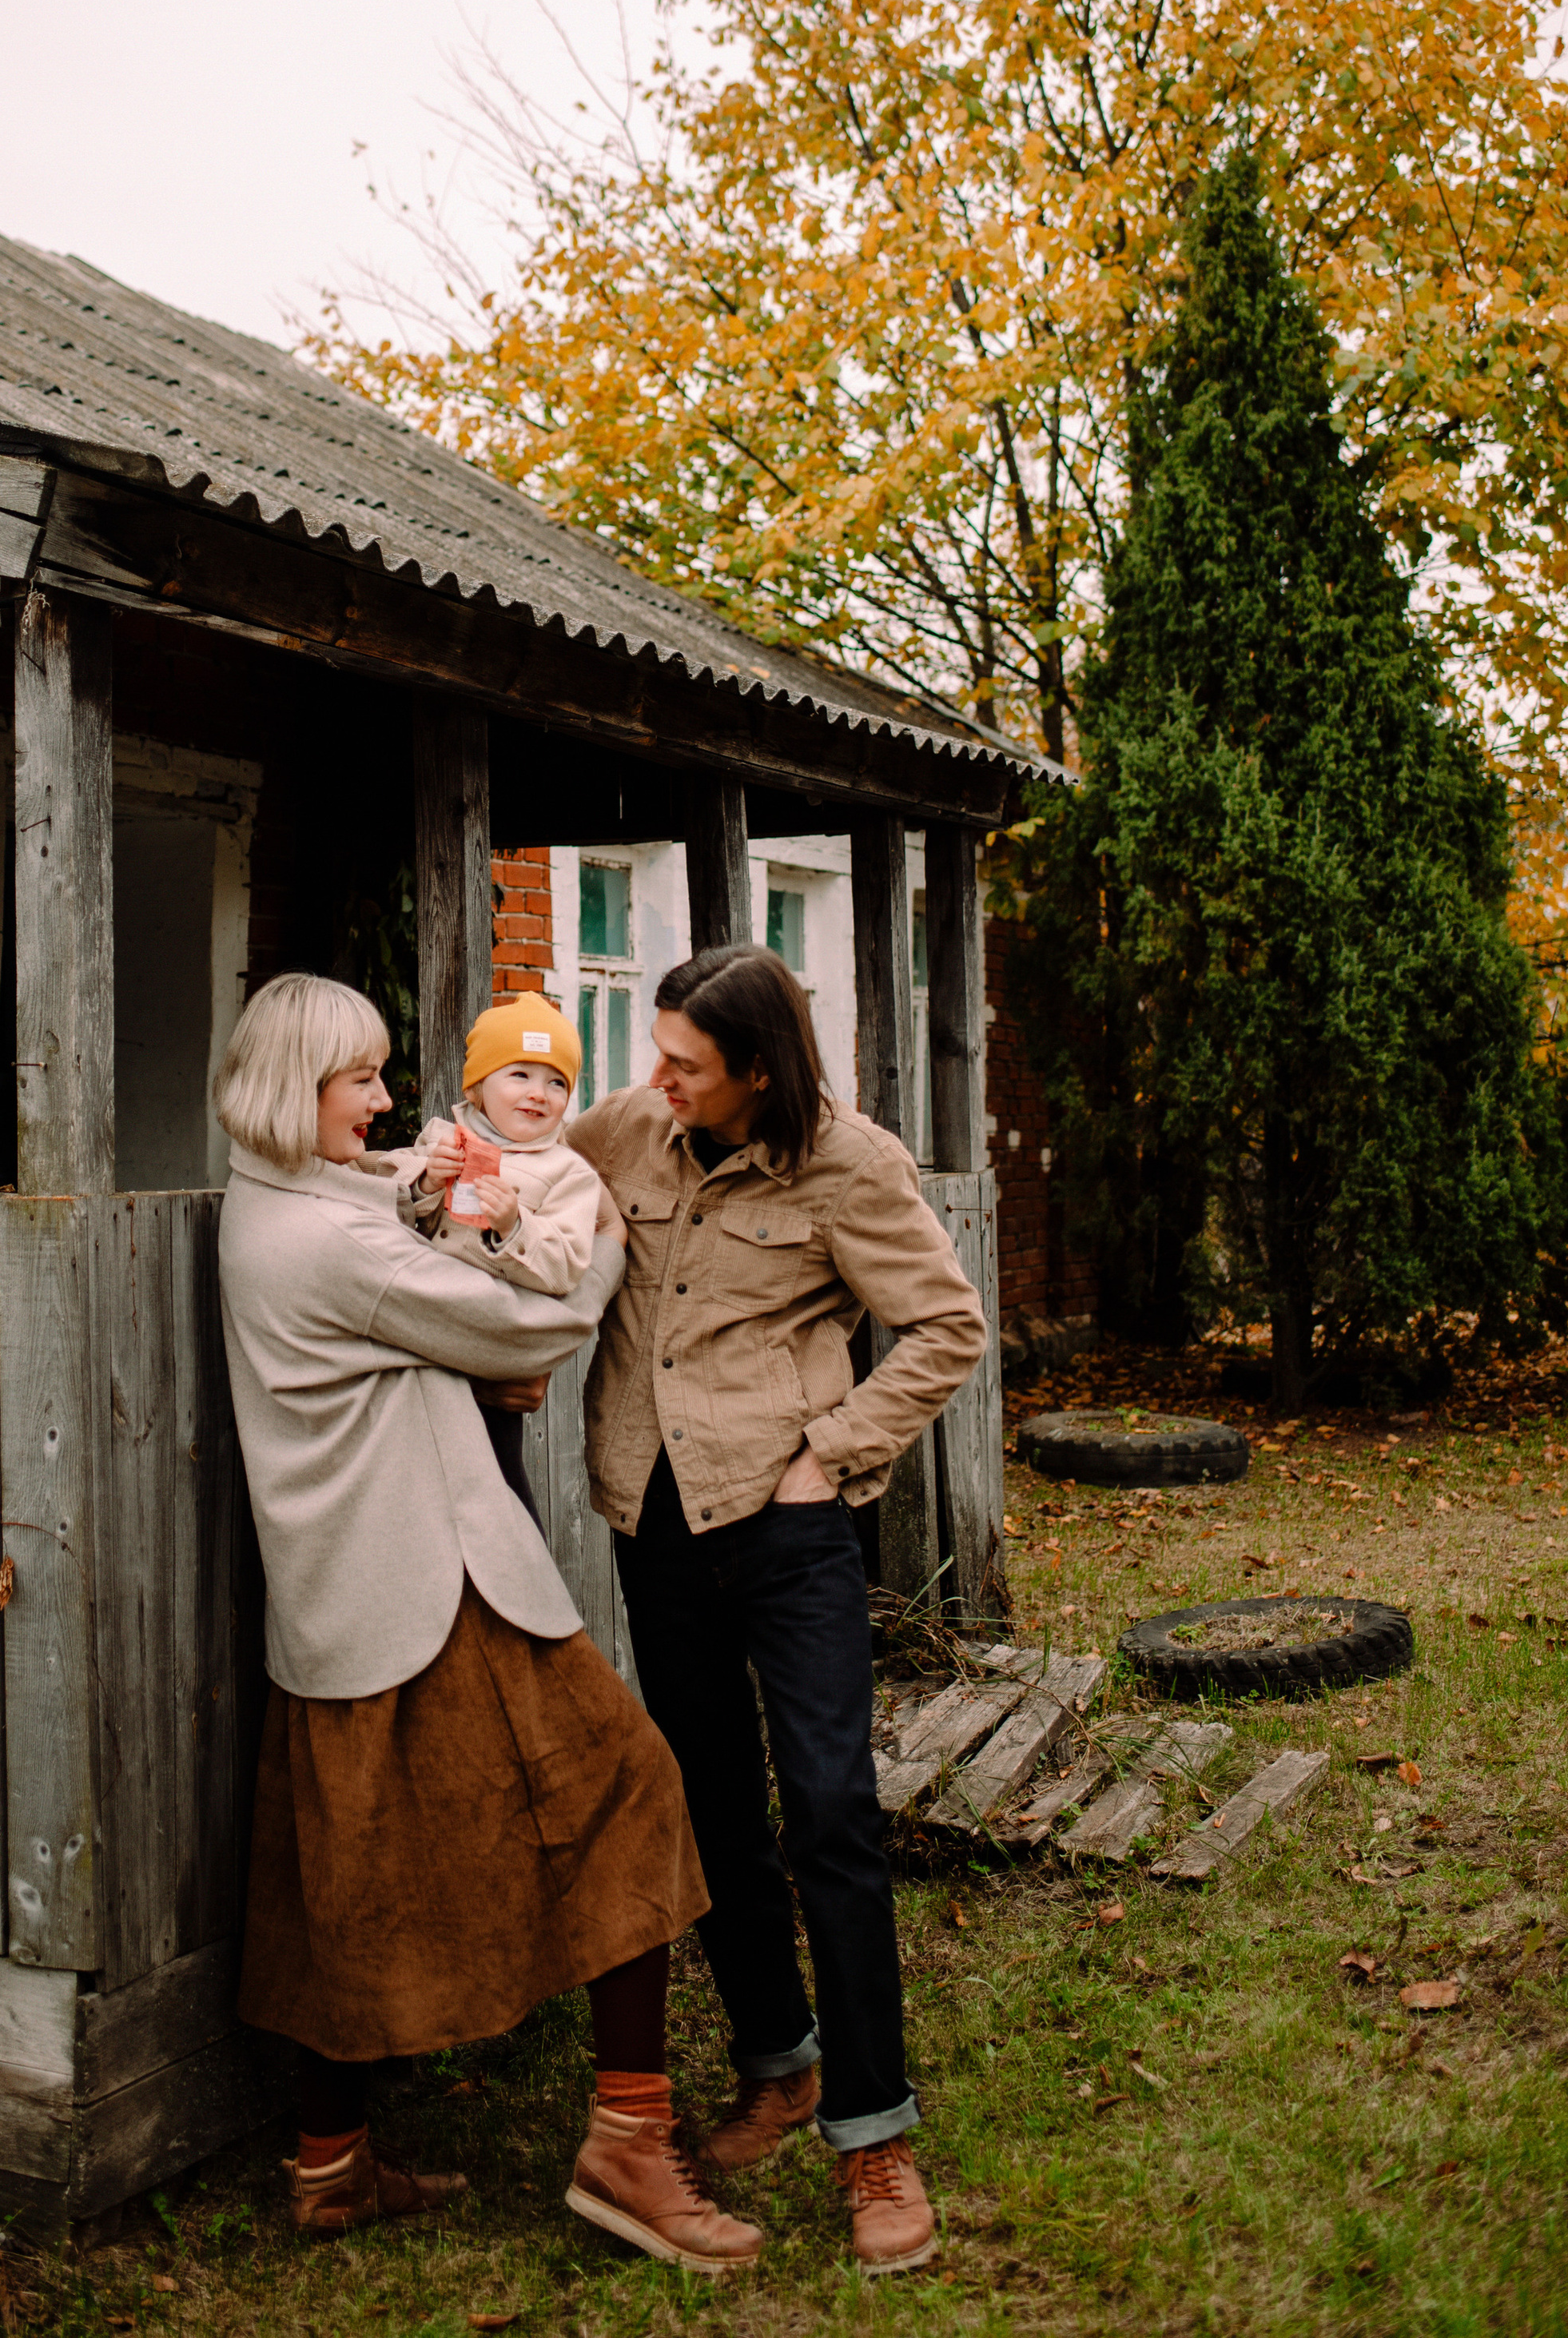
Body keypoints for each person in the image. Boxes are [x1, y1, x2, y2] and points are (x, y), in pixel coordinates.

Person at [215, 970, 762, 2275]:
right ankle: (633, 2143)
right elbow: (542, 1316)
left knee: (347, 1863)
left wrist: (450, 1278)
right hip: (429, 1577)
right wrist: (607, 1224)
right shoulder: (329, 1239)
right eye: (363, 1078)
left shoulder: (284, 1194)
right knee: (629, 1782)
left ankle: (330, 2158)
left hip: (349, 1583)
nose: (388, 1096)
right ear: (302, 1087)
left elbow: (420, 1241)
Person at [569, 944, 988, 2277]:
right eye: (660, 1050)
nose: (659, 1078)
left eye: (687, 1061)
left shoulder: (850, 1163)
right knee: (710, 1803)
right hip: (658, 1517)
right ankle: (782, 2065)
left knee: (830, 1808)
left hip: (790, 1522)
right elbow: (514, 1171)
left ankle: (877, 2133)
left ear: (759, 1069)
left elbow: (945, 1324)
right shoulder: (631, 1127)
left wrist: (837, 1448)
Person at [378, 991, 601, 1516]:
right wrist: (428, 1180)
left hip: (488, 1352)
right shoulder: (441, 1141)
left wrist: (515, 1226)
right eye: (519, 1074)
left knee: (496, 1486)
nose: (538, 1093)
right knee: (414, 1488)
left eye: (557, 1082)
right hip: (419, 1339)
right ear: (477, 1087)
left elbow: (568, 1263)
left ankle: (520, 1581)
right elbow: (390, 1222)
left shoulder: (569, 1173)